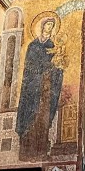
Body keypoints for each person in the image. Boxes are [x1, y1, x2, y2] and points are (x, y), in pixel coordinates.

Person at [15, 15, 63, 154]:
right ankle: (25, 151)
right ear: (42, 26)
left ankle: (40, 151)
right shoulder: (33, 45)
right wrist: (40, 68)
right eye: (48, 25)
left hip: (45, 88)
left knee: (41, 116)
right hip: (31, 86)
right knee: (30, 113)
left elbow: (55, 66)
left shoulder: (52, 46)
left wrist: (57, 67)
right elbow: (28, 65)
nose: (49, 27)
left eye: (51, 26)